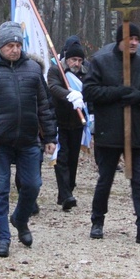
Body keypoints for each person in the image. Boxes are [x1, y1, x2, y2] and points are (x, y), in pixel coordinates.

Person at [0, 21, 57, 258]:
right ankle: (2, 238)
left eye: (18, 45)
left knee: (32, 185)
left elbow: (45, 105)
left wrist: (49, 136)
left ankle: (20, 218)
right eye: (10, 45)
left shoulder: (34, 70)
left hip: (28, 140)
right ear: (0, 46)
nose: (14, 49)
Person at [82, 23, 140, 246]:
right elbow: (89, 91)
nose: (134, 42)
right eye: (130, 38)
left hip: (136, 133)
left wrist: (138, 97)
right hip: (109, 132)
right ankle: (97, 221)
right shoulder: (101, 62)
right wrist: (117, 93)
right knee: (105, 179)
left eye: (137, 38)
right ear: (120, 40)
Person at [47, 38, 89, 211]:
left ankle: (67, 190)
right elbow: (53, 87)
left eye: (79, 60)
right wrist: (69, 95)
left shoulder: (86, 73)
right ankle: (66, 195)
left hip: (78, 123)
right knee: (61, 158)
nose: (76, 63)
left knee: (73, 159)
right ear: (66, 58)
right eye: (73, 60)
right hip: (59, 121)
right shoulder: (56, 70)